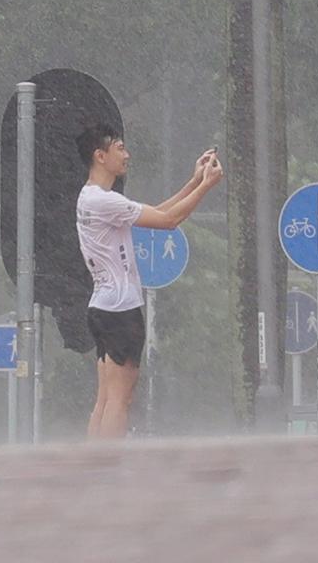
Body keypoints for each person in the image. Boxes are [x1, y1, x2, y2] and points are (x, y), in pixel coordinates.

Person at [74, 123, 223, 440]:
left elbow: (157, 213)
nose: (126, 155)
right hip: (121, 310)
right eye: (120, 148)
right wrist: (207, 186)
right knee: (120, 400)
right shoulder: (104, 201)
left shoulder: (91, 198)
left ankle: (94, 460)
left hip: (102, 306)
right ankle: (108, 462)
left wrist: (195, 181)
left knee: (105, 399)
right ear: (100, 156)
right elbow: (169, 221)